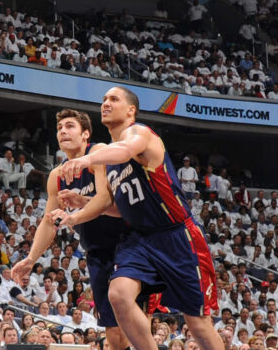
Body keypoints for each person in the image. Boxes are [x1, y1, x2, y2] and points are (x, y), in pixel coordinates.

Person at [57, 87, 223, 350]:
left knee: (198, 323)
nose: (106, 104)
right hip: (141, 241)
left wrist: (86, 158)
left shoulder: (140, 134)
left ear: (131, 110)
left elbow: (124, 150)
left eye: (114, 99)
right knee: (119, 294)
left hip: (178, 235)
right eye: (103, 100)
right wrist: (82, 204)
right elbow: (119, 208)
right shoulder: (111, 162)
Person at [10, 110, 131, 350]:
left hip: (129, 244)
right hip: (96, 252)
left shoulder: (98, 153)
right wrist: (31, 258)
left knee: (129, 315)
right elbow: (48, 221)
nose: (63, 131)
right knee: (113, 332)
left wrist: (71, 216)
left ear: (86, 134)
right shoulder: (56, 175)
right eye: (59, 128)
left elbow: (105, 201)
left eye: (70, 126)